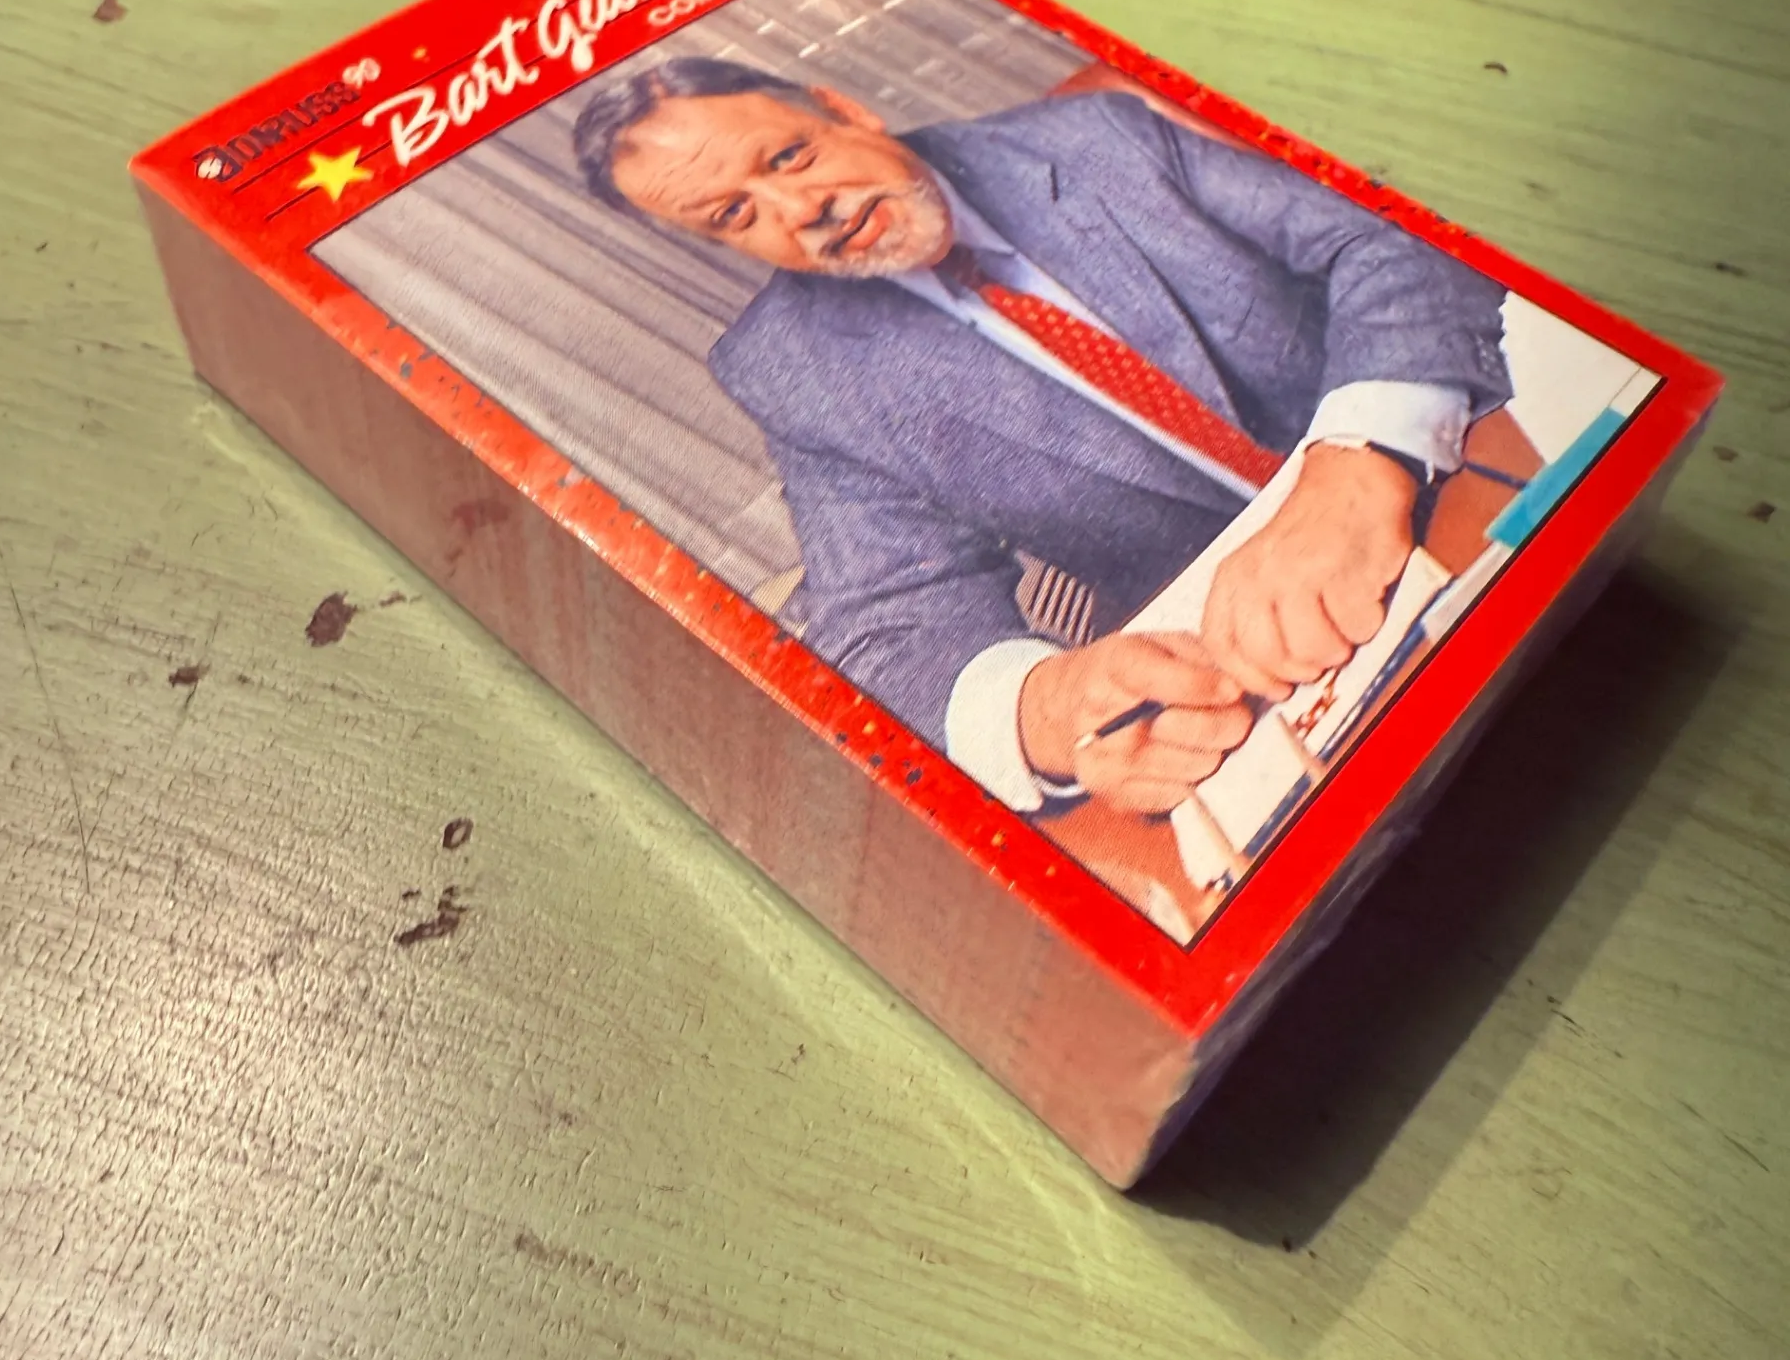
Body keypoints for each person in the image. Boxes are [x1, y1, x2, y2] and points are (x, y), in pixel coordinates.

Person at [572, 57, 1510, 818]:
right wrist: (1048, 709)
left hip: (1479, 467)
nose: (799, 211)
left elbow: (1383, 235)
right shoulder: (789, 367)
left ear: (842, 108)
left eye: (789, 156)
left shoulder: (1097, 136)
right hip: (1274, 665)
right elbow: (887, 613)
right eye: (735, 215)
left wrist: (1355, 459)